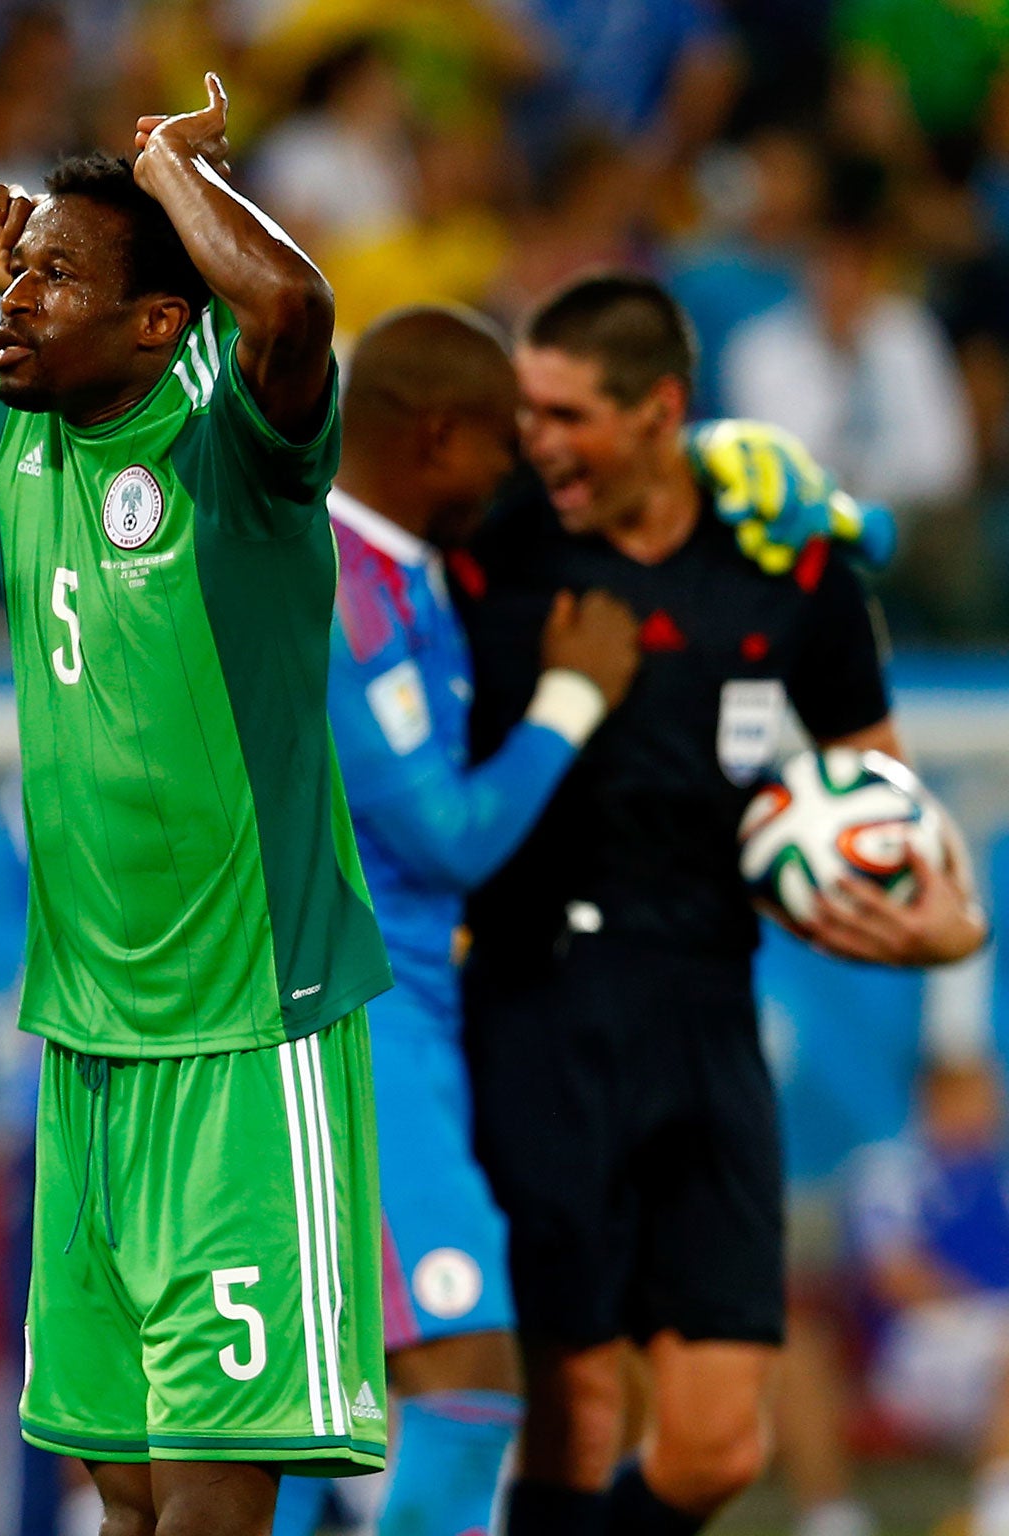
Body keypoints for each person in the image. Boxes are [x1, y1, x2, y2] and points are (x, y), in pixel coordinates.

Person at [0, 76, 393, 1536]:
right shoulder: (11, 443)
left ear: (158, 322)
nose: (15, 304)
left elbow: (290, 313)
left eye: (53, 280)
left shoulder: (241, 456)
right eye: (16, 276)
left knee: (217, 1493)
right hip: (85, 1048)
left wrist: (168, 171)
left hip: (241, 1039)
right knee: (129, 1495)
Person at [454, 271, 988, 1536]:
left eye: (568, 412)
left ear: (660, 413)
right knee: (576, 1409)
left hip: (706, 1005)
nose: (536, 438)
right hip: (535, 999)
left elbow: (881, 789)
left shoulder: (785, 567)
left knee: (710, 1450)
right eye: (527, 409)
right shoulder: (497, 544)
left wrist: (941, 928)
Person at [270, 306, 640, 1536]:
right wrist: (574, 700)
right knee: (465, 1372)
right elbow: (449, 836)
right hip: (356, 1037)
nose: (513, 467)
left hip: (406, 1032)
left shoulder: (406, 579)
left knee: (282, 1413)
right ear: (434, 438)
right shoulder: (336, 589)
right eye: (498, 442)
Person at [847, 1057, 1009, 1536]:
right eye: (969, 1097)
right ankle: (995, 1518)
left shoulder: (998, 1174)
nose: (983, 1110)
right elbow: (894, 1276)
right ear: (933, 1101)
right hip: (916, 1345)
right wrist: (984, 1308)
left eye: (988, 1096)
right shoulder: (891, 1171)